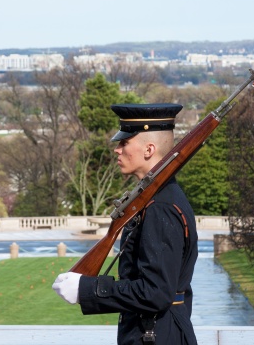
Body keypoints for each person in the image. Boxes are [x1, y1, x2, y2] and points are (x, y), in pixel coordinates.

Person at [53, 103, 198, 345]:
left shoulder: (160, 206)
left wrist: (87, 289)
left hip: (157, 336)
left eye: (124, 143)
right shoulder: (154, 198)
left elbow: (155, 293)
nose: (117, 150)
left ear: (149, 149)